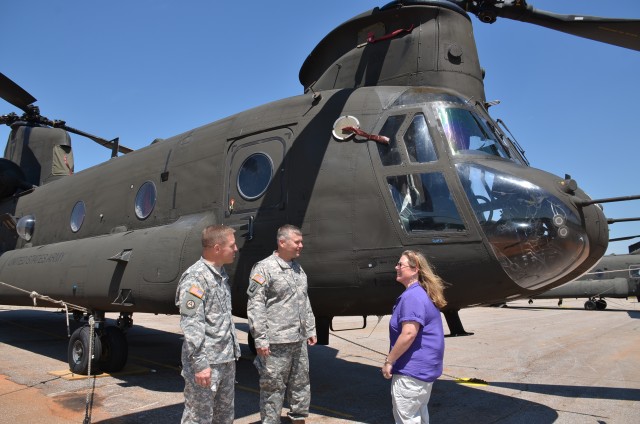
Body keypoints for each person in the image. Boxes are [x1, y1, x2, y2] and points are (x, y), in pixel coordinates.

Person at [247, 224, 317, 424]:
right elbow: (255, 305)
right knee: (273, 388)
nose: (301, 245)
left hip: (298, 339)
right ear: (282, 242)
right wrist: (260, 338)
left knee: (301, 385)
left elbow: (305, 300)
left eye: (301, 241)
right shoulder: (264, 268)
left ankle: (298, 419)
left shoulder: (297, 268)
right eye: (297, 242)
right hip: (275, 342)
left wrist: (310, 328)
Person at [175, 225, 240, 424]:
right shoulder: (195, 278)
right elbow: (191, 323)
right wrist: (200, 363)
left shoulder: (220, 275)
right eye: (232, 245)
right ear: (217, 248)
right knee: (198, 418)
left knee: (224, 417)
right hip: (207, 363)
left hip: (225, 359)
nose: (236, 249)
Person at [381, 250, 447, 424]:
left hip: (411, 372)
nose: (396, 267)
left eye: (400, 264)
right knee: (419, 416)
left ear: (414, 269)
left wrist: (389, 361)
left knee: (407, 420)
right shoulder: (421, 293)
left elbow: (409, 333)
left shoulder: (412, 296)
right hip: (422, 372)